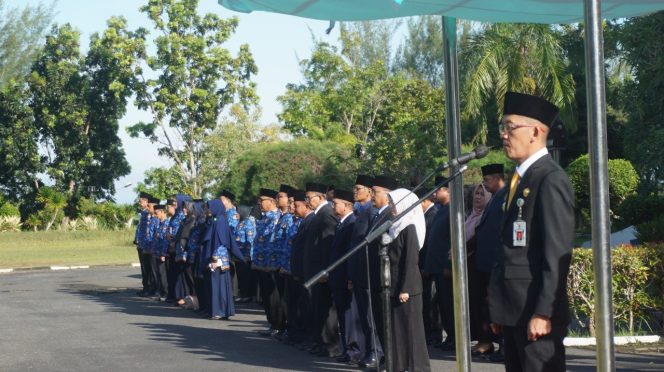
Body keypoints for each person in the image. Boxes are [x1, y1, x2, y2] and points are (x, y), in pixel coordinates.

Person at [488, 92, 575, 372]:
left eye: (510, 127)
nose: (504, 135)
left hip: (535, 313)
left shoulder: (550, 179)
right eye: (503, 127)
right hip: (513, 310)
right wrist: (498, 306)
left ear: (535, 132)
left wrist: (543, 311)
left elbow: (557, 253)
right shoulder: (520, 179)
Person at [383, 188, 431, 372]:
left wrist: (406, 288)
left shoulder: (409, 227)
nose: (390, 207)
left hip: (407, 288)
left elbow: (411, 260)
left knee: (411, 330)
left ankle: (418, 367)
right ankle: (399, 365)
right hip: (393, 285)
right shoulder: (395, 225)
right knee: (398, 330)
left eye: (393, 203)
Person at [346, 174, 383, 368]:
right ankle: (369, 351)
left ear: (369, 192)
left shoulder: (371, 211)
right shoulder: (360, 211)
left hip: (367, 273)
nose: (355, 191)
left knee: (370, 318)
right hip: (358, 272)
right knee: (363, 317)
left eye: (358, 188)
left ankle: (376, 352)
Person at [473, 163, 507, 357]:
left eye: (486, 180)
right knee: (488, 307)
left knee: (499, 305)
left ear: (496, 178)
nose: (484, 184)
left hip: (496, 263)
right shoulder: (495, 198)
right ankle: (492, 343)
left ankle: (504, 346)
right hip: (486, 264)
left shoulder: (505, 197)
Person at [422, 177, 454, 351]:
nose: (435, 193)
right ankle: (449, 337)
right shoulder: (442, 209)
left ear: (448, 190)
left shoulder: (453, 210)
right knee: (442, 304)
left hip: (445, 267)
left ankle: (454, 337)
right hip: (436, 267)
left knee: (448, 304)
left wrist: (449, 265)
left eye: (438, 189)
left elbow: (452, 241)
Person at [327, 189, 359, 363]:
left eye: (336, 203)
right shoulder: (341, 223)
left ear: (347, 206)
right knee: (342, 315)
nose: (333, 206)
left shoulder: (352, 223)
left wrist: (349, 278)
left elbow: (350, 253)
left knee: (349, 316)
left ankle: (353, 350)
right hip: (337, 276)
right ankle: (347, 349)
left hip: (345, 276)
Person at [202, 199, 245, 320]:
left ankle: (219, 311)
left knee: (218, 286)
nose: (207, 210)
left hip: (218, 259)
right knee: (215, 285)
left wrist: (216, 259)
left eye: (209, 207)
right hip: (216, 258)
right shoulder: (216, 220)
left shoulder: (220, 221)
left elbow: (220, 242)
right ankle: (216, 310)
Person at [464, 184, 492, 346]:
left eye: (482, 194)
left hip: (479, 266)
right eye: (476, 193)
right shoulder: (471, 216)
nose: (478, 197)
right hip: (470, 268)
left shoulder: (485, 217)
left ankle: (486, 341)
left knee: (483, 305)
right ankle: (480, 339)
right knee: (474, 304)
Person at [252, 188, 282, 336]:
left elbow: (273, 242)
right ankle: (272, 324)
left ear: (271, 201)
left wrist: (270, 264)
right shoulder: (264, 218)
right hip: (261, 264)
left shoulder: (276, 218)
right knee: (266, 296)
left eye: (261, 200)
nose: (259, 204)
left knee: (274, 296)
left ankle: (278, 324)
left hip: (271, 265)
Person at [415, 187, 441, 346]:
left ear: (424, 201)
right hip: (424, 265)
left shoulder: (433, 215)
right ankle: (428, 332)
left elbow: (429, 244)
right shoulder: (425, 215)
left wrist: (425, 265)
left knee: (432, 303)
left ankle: (434, 333)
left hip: (429, 266)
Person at [234, 204, 257, 303]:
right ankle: (243, 293)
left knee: (246, 276)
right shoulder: (240, 222)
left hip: (246, 255)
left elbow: (250, 240)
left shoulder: (248, 223)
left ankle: (248, 295)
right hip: (239, 255)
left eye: (238, 211)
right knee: (241, 276)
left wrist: (249, 255)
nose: (236, 214)